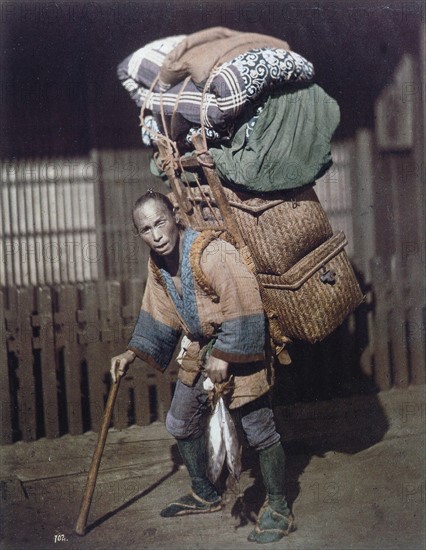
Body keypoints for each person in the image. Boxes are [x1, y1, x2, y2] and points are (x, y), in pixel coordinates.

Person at [110, 190, 294, 544]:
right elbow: (159, 313)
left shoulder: (212, 253)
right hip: (200, 346)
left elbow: (244, 299)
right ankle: (204, 492)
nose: (157, 235)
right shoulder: (158, 266)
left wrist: (225, 355)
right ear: (140, 234)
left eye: (160, 223)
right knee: (179, 421)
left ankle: (280, 507)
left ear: (175, 216)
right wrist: (130, 353)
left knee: (258, 430)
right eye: (146, 229)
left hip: (242, 342)